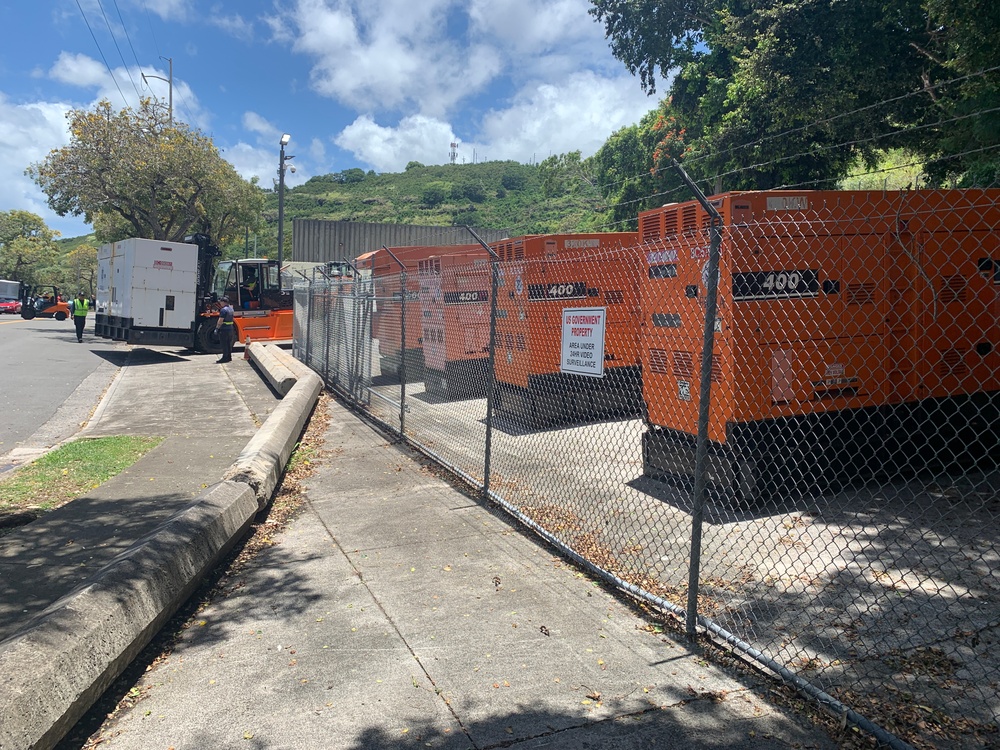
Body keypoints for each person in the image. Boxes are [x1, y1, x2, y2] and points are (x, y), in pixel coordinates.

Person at [215, 296, 235, 363]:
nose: (220, 303)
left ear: (223, 302)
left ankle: (225, 358)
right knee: (229, 344)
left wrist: (217, 328)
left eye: (220, 302)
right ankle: (229, 357)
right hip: (230, 328)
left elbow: (220, 320)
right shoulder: (231, 309)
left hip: (224, 329)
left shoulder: (223, 310)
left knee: (224, 344)